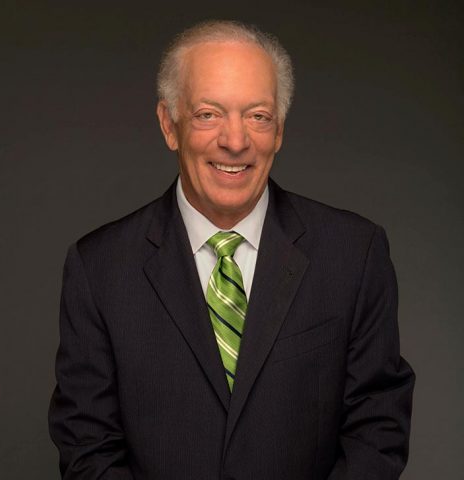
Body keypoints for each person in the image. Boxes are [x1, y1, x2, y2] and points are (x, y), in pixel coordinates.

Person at [48, 20, 415, 480]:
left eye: (258, 116)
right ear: (169, 124)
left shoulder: (354, 254)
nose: (235, 141)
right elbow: (88, 449)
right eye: (208, 114)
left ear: (279, 130)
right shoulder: (99, 268)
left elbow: (378, 428)